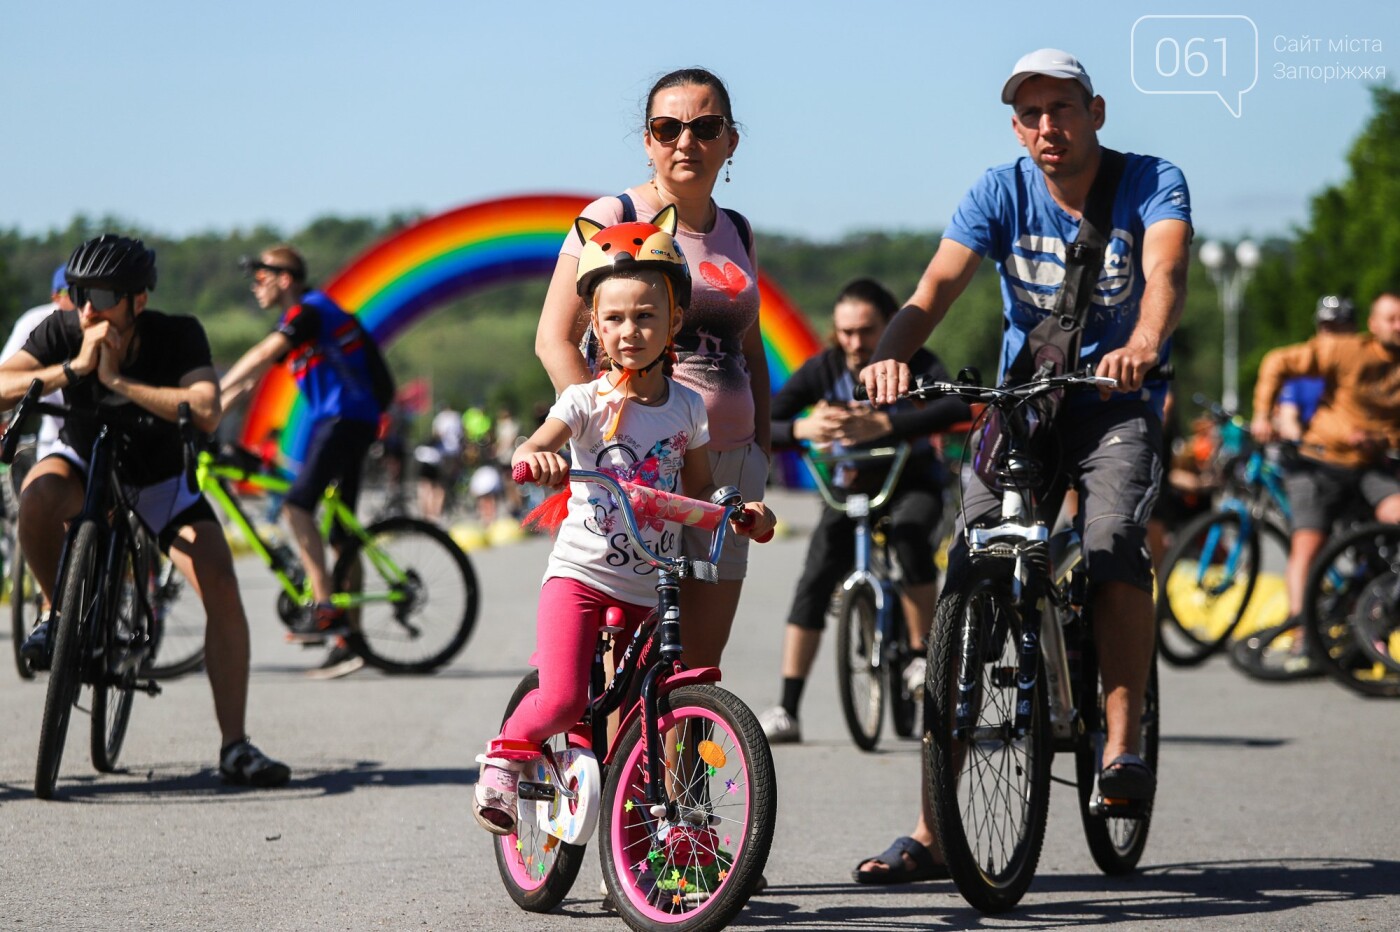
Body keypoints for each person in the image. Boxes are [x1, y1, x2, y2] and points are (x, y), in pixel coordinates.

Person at [856, 49, 1192, 882]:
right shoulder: (998, 191)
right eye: (1032, 113)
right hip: (1028, 400)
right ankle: (936, 832)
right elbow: (935, 287)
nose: (1049, 126)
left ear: (1096, 112)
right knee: (968, 571)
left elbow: (1166, 268)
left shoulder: (1150, 180)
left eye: (1063, 108)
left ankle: (1119, 751)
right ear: (1017, 126)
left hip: (1116, 398)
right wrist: (891, 357)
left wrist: (1146, 342)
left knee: (1113, 543)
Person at [472, 211, 774, 835]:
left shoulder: (687, 406)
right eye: (613, 318)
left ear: (675, 322)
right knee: (562, 700)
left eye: (645, 315)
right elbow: (536, 442)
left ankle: (649, 832)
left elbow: (697, 488)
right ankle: (505, 756)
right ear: (595, 328)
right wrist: (537, 456)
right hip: (582, 577)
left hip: (649, 586)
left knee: (649, 711)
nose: (630, 330)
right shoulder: (585, 401)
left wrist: (738, 509)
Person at [1, 234, 289, 786]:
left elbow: (206, 410)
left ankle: (235, 746)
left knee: (221, 587)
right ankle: (57, 614)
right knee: (37, 495)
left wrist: (116, 382)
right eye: (81, 292)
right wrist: (71, 370)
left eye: (104, 295)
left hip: (159, 479)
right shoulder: (64, 329)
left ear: (137, 300)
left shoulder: (177, 336)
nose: (88, 307)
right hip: (82, 458)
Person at [535, 67, 768, 677]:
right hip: (639, 460)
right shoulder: (612, 216)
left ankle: (684, 775)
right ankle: (625, 774)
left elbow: (753, 351)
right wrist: (595, 420)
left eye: (705, 127)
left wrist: (762, 448)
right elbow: (555, 338)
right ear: (647, 140)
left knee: (699, 666)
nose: (685, 142)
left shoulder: (737, 229)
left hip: (729, 465)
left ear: (730, 140)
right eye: (668, 128)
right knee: (633, 662)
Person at [757, 279, 968, 743]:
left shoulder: (915, 362)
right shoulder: (824, 368)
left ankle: (919, 656)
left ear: (891, 326)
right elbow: (764, 421)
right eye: (845, 332)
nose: (854, 343)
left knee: (911, 538)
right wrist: (801, 426)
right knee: (814, 579)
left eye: (866, 331)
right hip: (847, 490)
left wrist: (886, 422)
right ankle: (788, 708)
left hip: (910, 481)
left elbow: (955, 405)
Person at [220, 245, 382, 680]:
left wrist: (209, 398)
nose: (255, 286)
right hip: (348, 419)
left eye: (260, 277)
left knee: (296, 506)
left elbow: (255, 357)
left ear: (285, 278)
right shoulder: (299, 320)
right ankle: (351, 642)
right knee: (340, 536)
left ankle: (325, 605)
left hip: (345, 419)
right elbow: (254, 377)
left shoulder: (307, 313)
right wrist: (215, 411)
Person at [1250, 291, 1400, 655]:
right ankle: (1304, 636)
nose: (1399, 326)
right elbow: (1276, 362)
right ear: (1373, 324)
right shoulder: (1347, 350)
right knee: (1309, 542)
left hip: (1370, 467)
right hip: (1321, 462)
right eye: (1392, 318)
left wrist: (1378, 439)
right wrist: (1261, 414)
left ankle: (1379, 613)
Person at [2, 264, 77, 465]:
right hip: (56, 436)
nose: (84, 301)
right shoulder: (36, 321)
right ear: (55, 297)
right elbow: (5, 379)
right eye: (73, 292)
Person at [1274, 296, 1356, 441]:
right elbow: (1288, 416)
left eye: (1336, 326)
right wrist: (1300, 441)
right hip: (1313, 455)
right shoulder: (1302, 370)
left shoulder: (1367, 368)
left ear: (1351, 329)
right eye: (1324, 326)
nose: (1328, 333)